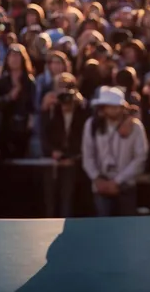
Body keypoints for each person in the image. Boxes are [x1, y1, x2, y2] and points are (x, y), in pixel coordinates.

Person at [82, 86, 147, 217]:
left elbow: (140, 157)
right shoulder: (92, 125)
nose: (112, 110)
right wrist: (97, 178)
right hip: (100, 185)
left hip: (126, 186)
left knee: (127, 228)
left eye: (115, 106)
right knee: (103, 227)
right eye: (108, 106)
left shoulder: (135, 127)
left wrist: (117, 181)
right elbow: (87, 155)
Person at [44, 88, 89, 218]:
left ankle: (66, 217)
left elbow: (82, 140)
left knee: (68, 194)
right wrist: (53, 151)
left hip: (74, 160)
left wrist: (73, 158)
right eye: (63, 103)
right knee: (51, 193)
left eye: (68, 104)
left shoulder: (81, 117)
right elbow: (45, 136)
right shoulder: (54, 115)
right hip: (54, 161)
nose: (65, 107)